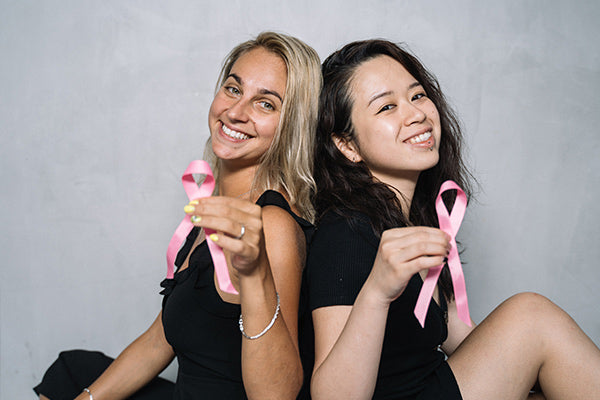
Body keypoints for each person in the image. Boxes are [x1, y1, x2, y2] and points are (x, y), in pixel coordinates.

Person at [306, 39, 600, 400]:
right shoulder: (346, 232)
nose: (416, 114)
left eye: (417, 96)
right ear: (347, 145)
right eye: (386, 107)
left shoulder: (412, 224)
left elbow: (464, 339)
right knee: (531, 315)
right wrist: (378, 292)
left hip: (433, 384)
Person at [34, 31, 321, 400]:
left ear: (291, 125)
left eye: (265, 104)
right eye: (234, 89)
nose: (235, 112)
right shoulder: (208, 207)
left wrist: (254, 275)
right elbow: (159, 340)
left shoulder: (273, 224)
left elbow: (277, 394)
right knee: (72, 370)